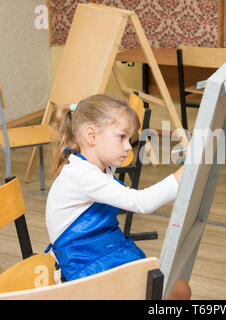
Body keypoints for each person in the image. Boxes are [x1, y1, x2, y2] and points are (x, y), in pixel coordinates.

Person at [45, 94, 191, 300]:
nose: (128, 147)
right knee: (175, 291)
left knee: (177, 289)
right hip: (83, 265)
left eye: (129, 139)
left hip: (102, 250)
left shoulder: (96, 163)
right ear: (91, 136)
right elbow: (142, 202)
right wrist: (185, 172)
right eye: (121, 137)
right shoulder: (83, 175)